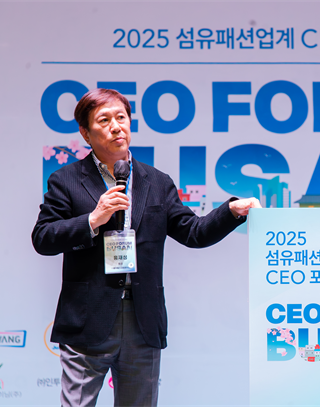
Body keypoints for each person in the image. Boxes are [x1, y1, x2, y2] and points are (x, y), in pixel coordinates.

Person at [32, 88, 260, 407]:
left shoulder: (157, 182)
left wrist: (231, 211)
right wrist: (94, 219)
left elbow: (193, 232)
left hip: (142, 319)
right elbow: (43, 238)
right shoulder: (66, 180)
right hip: (87, 318)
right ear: (85, 133)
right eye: (104, 120)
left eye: (121, 117)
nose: (116, 126)